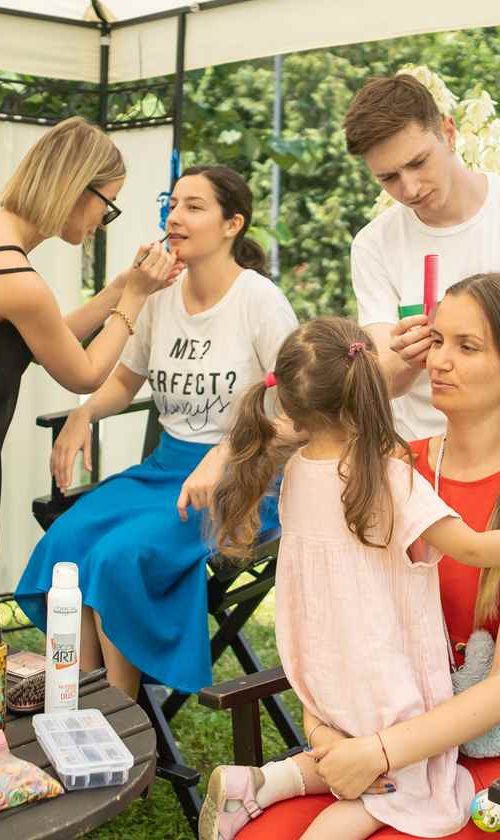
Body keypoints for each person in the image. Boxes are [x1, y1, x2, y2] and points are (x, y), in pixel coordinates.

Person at [199, 313, 500, 840]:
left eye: (466, 345)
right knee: (401, 792)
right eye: (436, 340)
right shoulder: (389, 476)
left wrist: (319, 723)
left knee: (355, 766)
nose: (437, 360)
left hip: (326, 681)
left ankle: (267, 782)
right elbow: (474, 548)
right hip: (390, 691)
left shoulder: (297, 474)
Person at [15, 164, 298, 700]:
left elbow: (298, 413)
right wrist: (83, 413)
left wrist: (228, 453)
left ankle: (121, 718)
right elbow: (125, 380)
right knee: (67, 541)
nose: (175, 217)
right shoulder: (160, 295)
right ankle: (77, 702)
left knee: (118, 557)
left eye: (194, 206)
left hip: (241, 480)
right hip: (164, 470)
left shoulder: (259, 302)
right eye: (172, 205)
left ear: (232, 224)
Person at [0, 115, 178, 500]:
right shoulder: (17, 280)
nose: (104, 222)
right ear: (78, 188)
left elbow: (41, 341)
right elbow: (86, 374)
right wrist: (135, 297)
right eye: (108, 204)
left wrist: (119, 289)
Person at [344, 73, 500, 440]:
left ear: (448, 133)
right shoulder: (374, 245)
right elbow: (383, 382)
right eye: (389, 178)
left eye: (418, 163)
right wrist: (408, 357)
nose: (410, 188)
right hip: (423, 454)